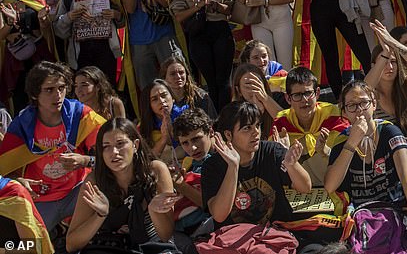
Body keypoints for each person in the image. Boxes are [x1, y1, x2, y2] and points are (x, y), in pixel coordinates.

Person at [325, 81, 407, 252]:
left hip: (395, 208)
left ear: (374, 104)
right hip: (358, 214)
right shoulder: (341, 141)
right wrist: (352, 143)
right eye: (352, 106)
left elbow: (406, 174)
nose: (359, 110)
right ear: (344, 112)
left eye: (364, 103)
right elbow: (330, 186)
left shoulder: (389, 132)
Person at [0, 61, 105, 232]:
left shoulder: (81, 115)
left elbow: (112, 153)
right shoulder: (21, 125)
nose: (58, 95)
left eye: (62, 88)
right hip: (39, 200)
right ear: (35, 94)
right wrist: (18, 181)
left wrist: (85, 160)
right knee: (26, 245)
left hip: (78, 191)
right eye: (49, 90)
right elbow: (4, 168)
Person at [65, 118, 180, 254]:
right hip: (107, 246)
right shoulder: (95, 181)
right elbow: (71, 244)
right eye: (106, 146)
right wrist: (100, 216)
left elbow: (166, 235)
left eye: (120, 144)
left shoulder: (156, 171)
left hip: (150, 244)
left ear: (135, 145)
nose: (114, 152)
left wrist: (154, 211)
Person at [202, 101, 311, 227]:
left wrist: (292, 165)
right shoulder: (212, 166)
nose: (256, 132)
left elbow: (305, 187)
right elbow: (219, 216)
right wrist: (233, 167)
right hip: (233, 239)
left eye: (257, 125)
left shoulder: (272, 151)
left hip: (277, 234)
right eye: (247, 128)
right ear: (228, 134)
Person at [364, 20, 407, 174]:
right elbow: (364, 89)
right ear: (373, 66)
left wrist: (392, 43)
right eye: (383, 62)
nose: (389, 67)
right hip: (386, 162)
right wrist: (385, 53)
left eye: (394, 62)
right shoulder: (370, 97)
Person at [170, 0, 235, 110]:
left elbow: (230, 10)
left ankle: (226, 116)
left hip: (220, 30)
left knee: (224, 80)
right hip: (198, 33)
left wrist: (217, 5)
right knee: (210, 81)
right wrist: (198, 6)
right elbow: (179, 16)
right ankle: (214, 118)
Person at [52, 0, 121, 81]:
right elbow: (58, 29)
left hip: (106, 49)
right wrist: (69, 17)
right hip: (81, 52)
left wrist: (116, 15)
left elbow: (123, 20)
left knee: (108, 87)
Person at [272, 67, 342, 187]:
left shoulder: (333, 115)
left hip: (334, 187)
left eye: (308, 93)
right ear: (288, 98)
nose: (304, 100)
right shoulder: (281, 122)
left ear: (318, 93)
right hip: (298, 190)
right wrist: (283, 154)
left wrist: (324, 150)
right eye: (297, 95)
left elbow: (345, 160)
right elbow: (275, 171)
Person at [0, 0, 55, 106]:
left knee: (42, 94)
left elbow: (46, 32)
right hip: (15, 57)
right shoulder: (3, 4)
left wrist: (43, 21)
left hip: (38, 53)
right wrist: (11, 23)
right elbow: (1, 35)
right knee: (20, 97)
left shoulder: (37, 0)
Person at [171, 108, 214, 236]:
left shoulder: (220, 163)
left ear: (210, 132)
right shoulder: (188, 164)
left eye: (196, 139)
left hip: (205, 228)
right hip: (180, 230)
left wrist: (181, 186)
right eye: (185, 143)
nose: (192, 148)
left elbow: (209, 205)